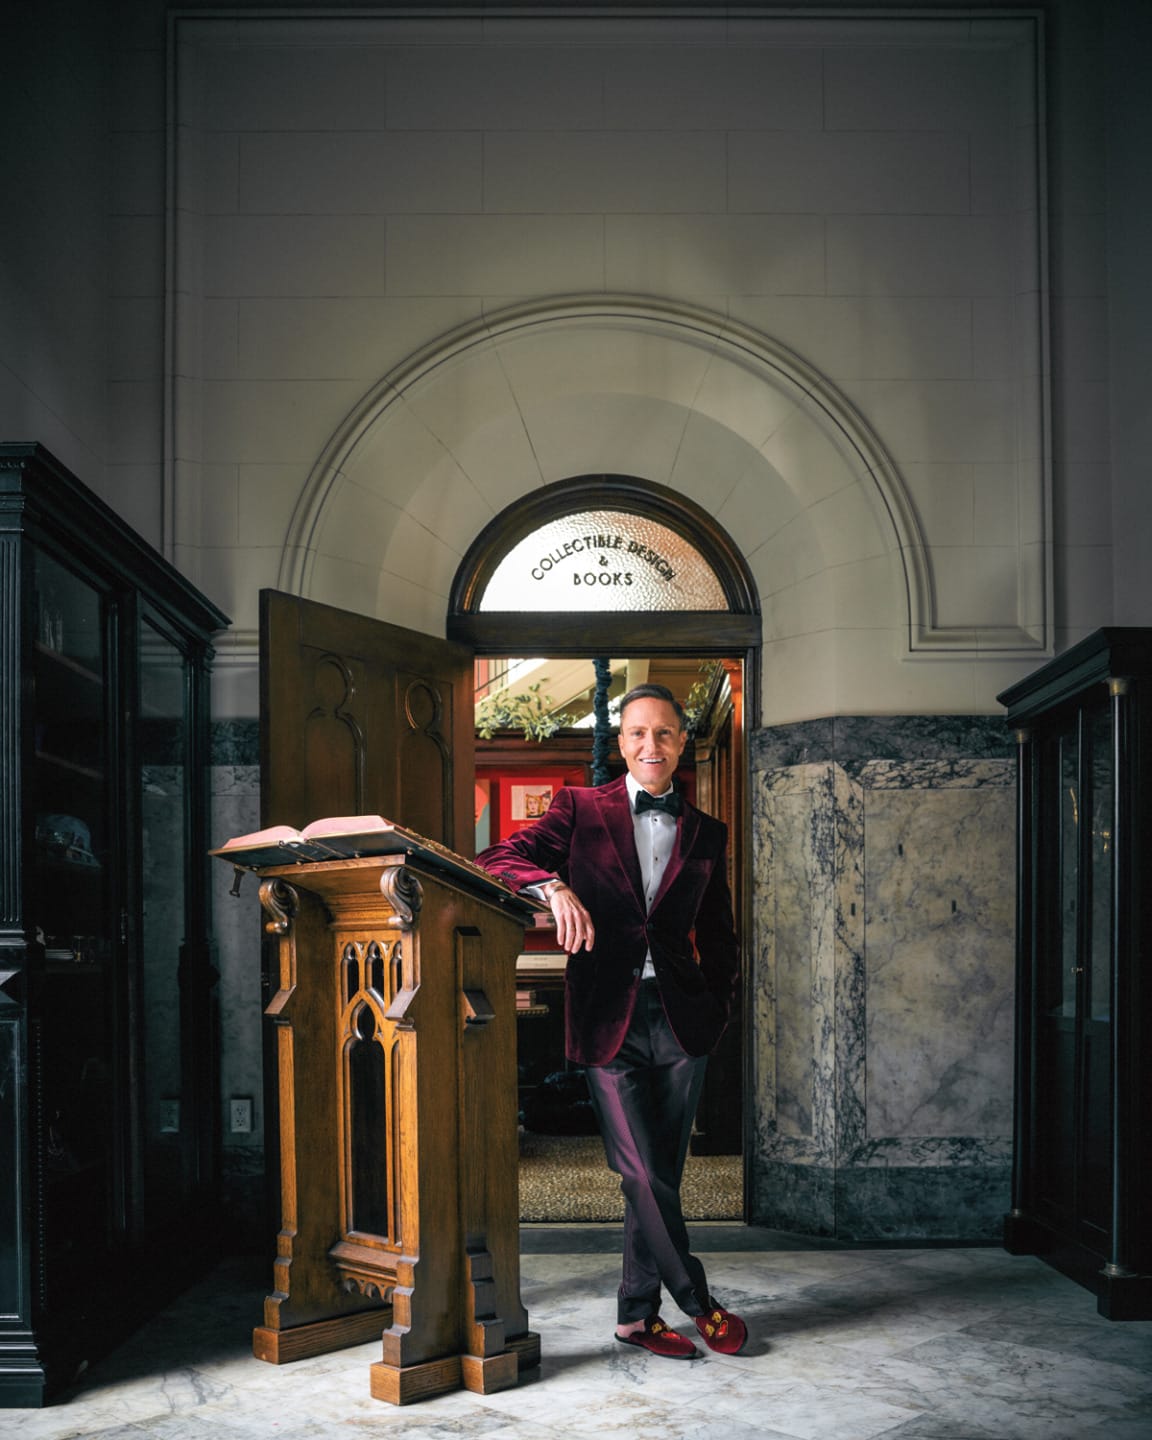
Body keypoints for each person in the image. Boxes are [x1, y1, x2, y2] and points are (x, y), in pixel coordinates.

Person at [476, 683, 746, 1360]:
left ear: (681, 743)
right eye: (636, 734)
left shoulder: (707, 832)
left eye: (663, 733)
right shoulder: (580, 809)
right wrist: (553, 884)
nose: (649, 745)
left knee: (661, 1173)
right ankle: (698, 1301)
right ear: (621, 743)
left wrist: (718, 1012)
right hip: (607, 1019)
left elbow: (721, 937)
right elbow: (496, 860)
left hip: (683, 1024)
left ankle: (634, 1316)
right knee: (638, 1171)